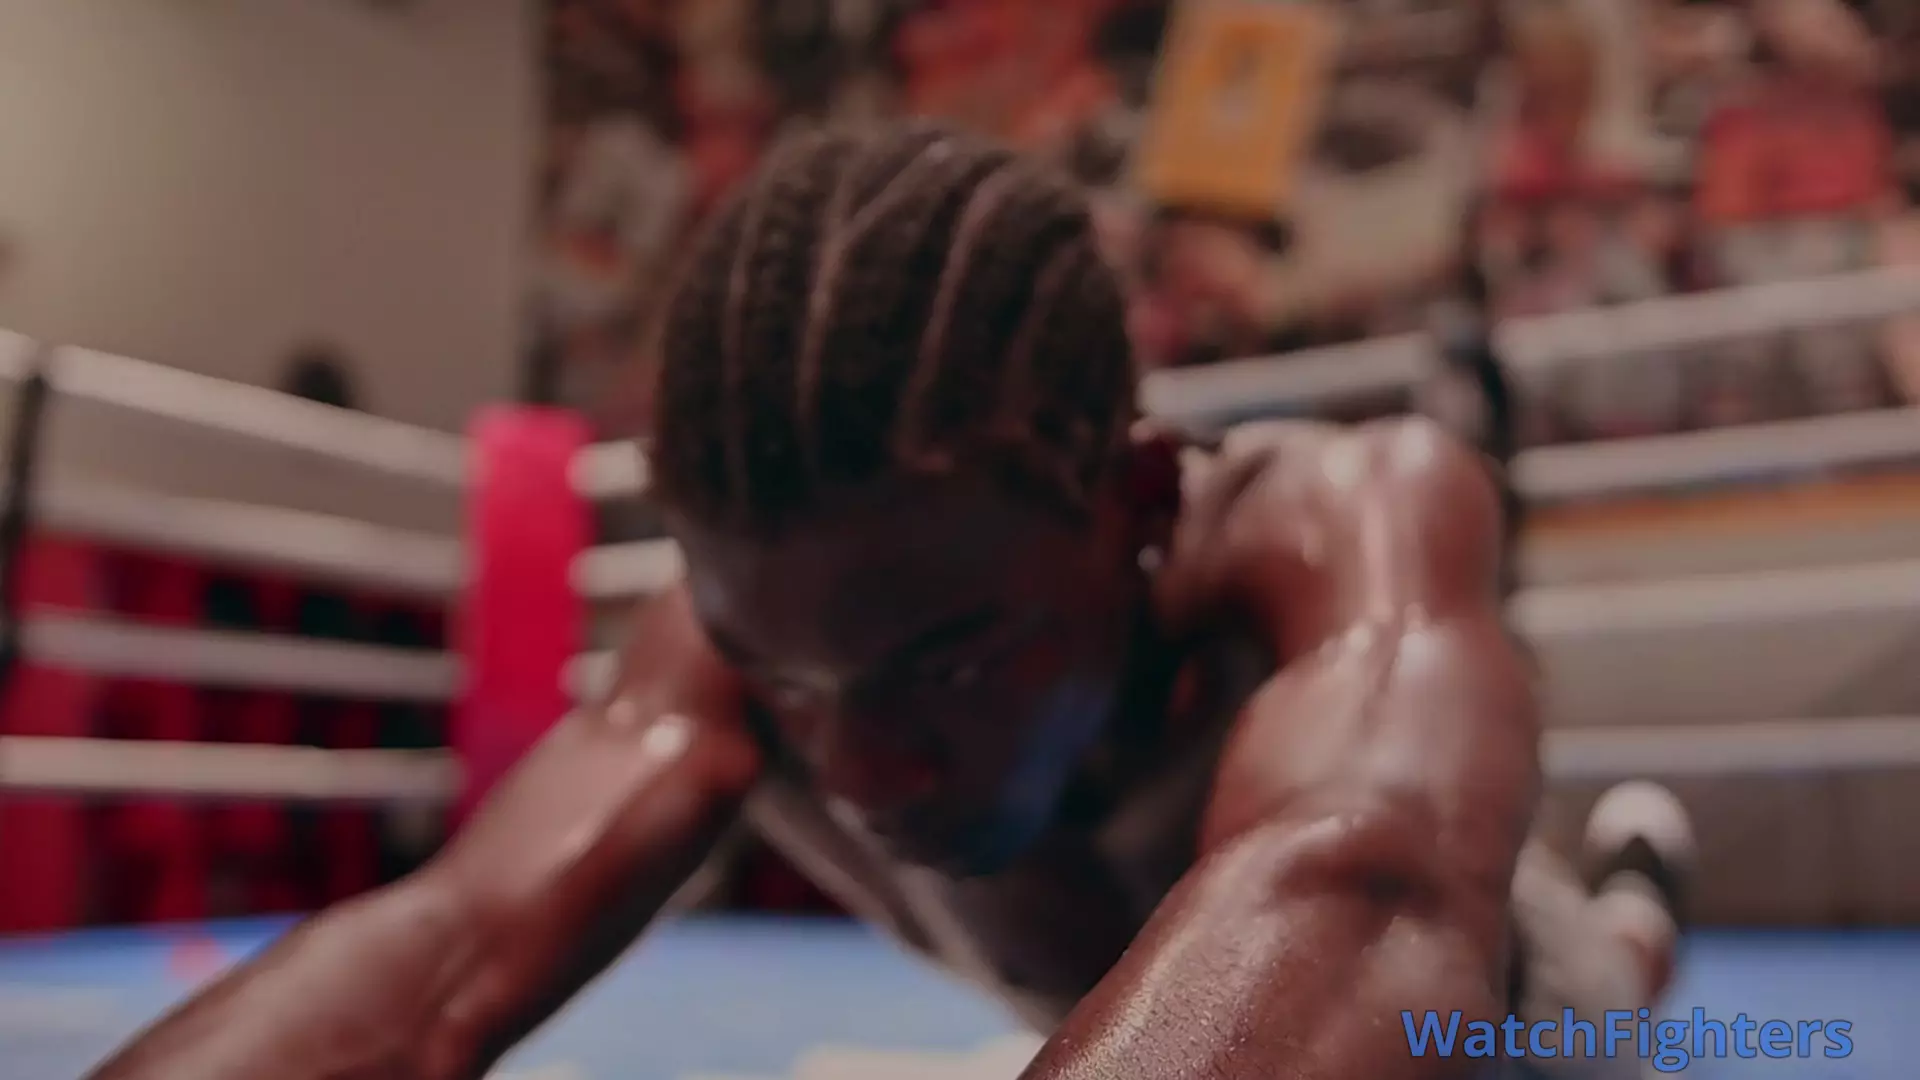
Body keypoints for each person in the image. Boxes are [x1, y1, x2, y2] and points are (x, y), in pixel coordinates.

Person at [86, 123, 1692, 1080]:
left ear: (1136, 501)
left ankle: (1634, 908)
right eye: (789, 684)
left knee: (1609, 1000)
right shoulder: (742, 650)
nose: (863, 770)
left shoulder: (1348, 516)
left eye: (952, 664)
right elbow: (449, 948)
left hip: (1498, 1024)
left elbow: (1357, 886)